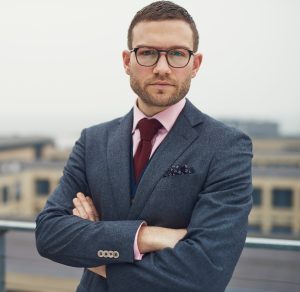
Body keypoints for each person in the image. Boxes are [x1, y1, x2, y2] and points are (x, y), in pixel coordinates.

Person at [35, 1, 253, 291]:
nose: (162, 68)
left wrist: (93, 250)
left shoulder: (227, 146)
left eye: (177, 53)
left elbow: (206, 272)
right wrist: (144, 237)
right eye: (148, 53)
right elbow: (49, 234)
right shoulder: (94, 141)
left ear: (195, 64)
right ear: (127, 61)